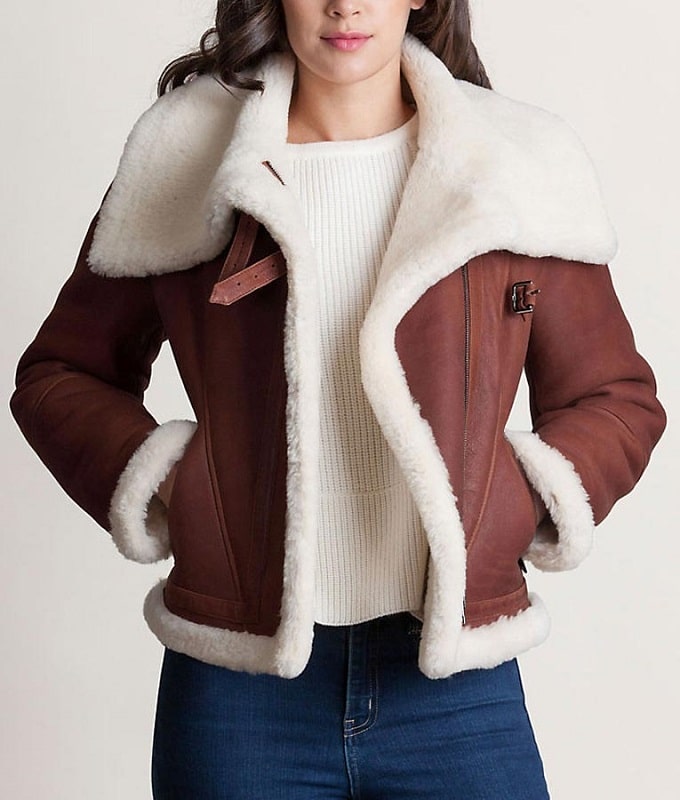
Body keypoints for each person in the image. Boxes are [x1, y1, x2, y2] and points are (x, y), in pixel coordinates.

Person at [10, 0, 666, 797]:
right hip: (237, 691)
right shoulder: (189, 153)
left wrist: (510, 503)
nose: (345, 5)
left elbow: (615, 396)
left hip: (455, 683)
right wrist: (176, 484)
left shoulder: (514, 161)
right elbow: (61, 373)